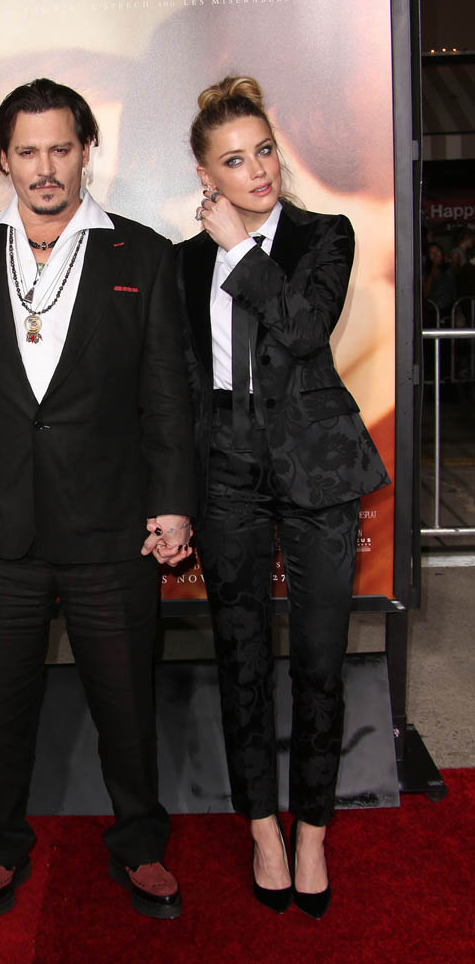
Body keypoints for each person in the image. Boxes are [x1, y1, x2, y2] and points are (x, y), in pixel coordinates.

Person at [0, 78, 195, 922]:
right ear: (2, 159)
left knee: (125, 701)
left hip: (112, 524)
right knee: (3, 702)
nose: (45, 168)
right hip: (1, 525)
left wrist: (173, 502)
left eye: (60, 148)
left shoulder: (142, 253)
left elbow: (167, 397)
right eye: (27, 151)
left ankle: (139, 844)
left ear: (85, 151)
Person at [175, 76, 390, 919]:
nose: (258, 169)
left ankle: (312, 832)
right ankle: (262, 826)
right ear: (205, 173)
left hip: (316, 468)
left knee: (318, 657)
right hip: (225, 469)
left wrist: (242, 249)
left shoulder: (321, 234)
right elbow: (181, 386)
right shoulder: (181, 261)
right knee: (239, 657)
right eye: (234, 160)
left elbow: (302, 330)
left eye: (263, 150)